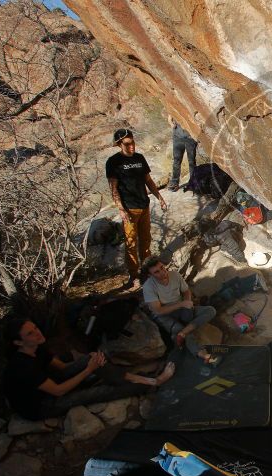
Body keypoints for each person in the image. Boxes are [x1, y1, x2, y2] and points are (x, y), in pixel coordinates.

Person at [2, 318, 175, 421]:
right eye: (30, 334)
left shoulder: (37, 348)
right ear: (18, 342)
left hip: (51, 384)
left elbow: (63, 368)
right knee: (100, 392)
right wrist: (88, 370)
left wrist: (92, 362)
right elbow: (58, 391)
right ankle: (153, 382)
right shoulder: (23, 366)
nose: (37, 333)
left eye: (35, 328)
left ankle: (135, 378)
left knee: (91, 360)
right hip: (41, 406)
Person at [106, 128, 167, 288]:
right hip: (129, 208)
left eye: (133, 142)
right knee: (131, 243)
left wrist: (159, 196)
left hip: (144, 205)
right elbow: (113, 187)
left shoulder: (140, 158)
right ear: (119, 144)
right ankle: (134, 275)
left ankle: (148, 271)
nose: (132, 146)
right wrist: (121, 209)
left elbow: (148, 179)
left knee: (146, 240)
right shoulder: (113, 162)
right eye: (127, 144)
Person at [141, 257, 218, 362]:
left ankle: (183, 332)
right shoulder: (148, 287)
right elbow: (158, 310)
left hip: (181, 308)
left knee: (210, 310)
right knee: (183, 331)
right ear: (150, 275)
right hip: (165, 315)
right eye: (157, 272)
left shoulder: (175, 275)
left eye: (162, 267)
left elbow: (186, 291)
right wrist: (182, 304)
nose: (163, 272)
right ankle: (202, 354)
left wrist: (188, 303)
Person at [168, 116, 198, 192]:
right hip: (177, 136)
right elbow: (170, 116)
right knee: (176, 160)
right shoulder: (174, 104)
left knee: (191, 161)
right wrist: (172, 124)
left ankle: (193, 183)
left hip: (190, 137)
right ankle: (174, 182)